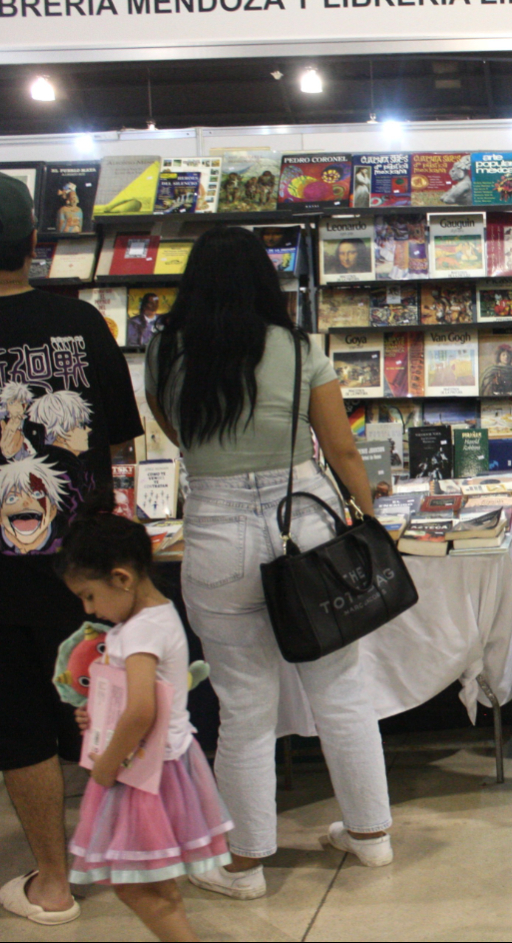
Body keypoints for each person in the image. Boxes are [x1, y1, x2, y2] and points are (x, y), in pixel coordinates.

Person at [145, 226, 393, 901]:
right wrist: (369, 518)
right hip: (304, 520)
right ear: (265, 280)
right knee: (341, 688)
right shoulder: (300, 348)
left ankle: (247, 861)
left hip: (215, 527)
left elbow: (174, 427)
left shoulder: (166, 349)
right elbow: (341, 449)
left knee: (244, 705)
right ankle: (371, 835)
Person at [0, 172, 143, 928]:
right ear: (33, 243)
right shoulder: (83, 322)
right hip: (82, 566)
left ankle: (53, 883)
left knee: (17, 720)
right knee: (100, 704)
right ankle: (131, 861)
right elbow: (121, 436)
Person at [56, 494, 232, 943]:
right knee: (152, 883)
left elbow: (139, 710)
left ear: (122, 578)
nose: (89, 611)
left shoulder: (139, 632)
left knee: (136, 885)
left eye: (90, 596)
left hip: (142, 775)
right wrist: (96, 719)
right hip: (165, 766)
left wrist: (105, 764)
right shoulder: (157, 615)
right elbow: (133, 700)